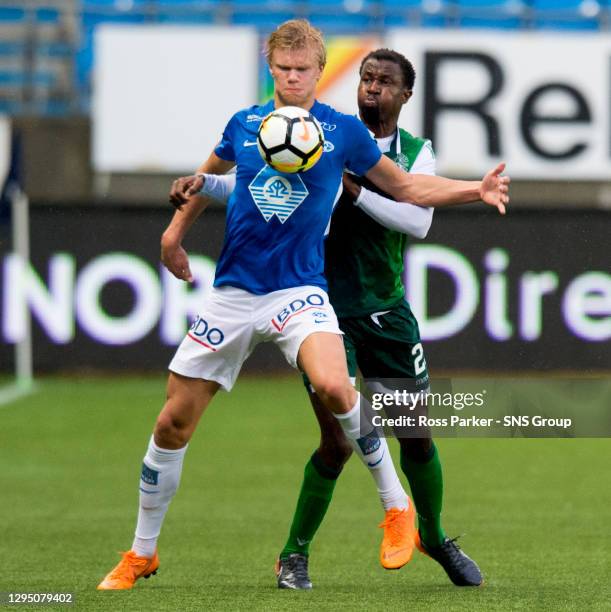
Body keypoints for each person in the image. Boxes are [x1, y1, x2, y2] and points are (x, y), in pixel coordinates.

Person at [97, 19, 509, 591]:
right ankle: (142, 553)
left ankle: (401, 511)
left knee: (346, 393)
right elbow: (211, 181)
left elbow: (412, 192)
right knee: (173, 422)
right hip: (235, 294)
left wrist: (475, 190)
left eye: (303, 69)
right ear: (272, 68)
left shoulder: (341, 134)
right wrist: (173, 233)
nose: (293, 77)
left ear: (320, 72)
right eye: (283, 68)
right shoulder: (244, 124)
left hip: (303, 293)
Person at [195, 48, 485, 590]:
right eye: (366, 78)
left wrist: (355, 191)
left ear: (406, 95)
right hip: (317, 308)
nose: (372, 87)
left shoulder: (416, 152)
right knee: (338, 440)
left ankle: (435, 535)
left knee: (414, 434)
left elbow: (416, 222)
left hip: (386, 312)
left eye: (385, 82)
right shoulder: (316, 136)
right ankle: (293, 555)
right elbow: (257, 183)